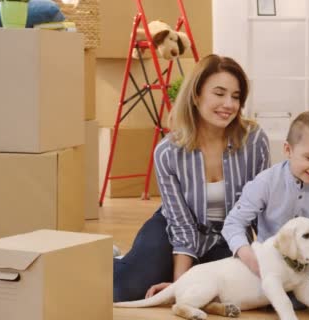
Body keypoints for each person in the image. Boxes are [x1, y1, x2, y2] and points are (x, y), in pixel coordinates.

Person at [113, 54, 271, 302]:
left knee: (227, 294)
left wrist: (265, 260)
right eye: (219, 94)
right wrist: (180, 286)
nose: (228, 104)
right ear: (196, 95)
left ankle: (160, 269)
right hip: (172, 230)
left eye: (236, 96)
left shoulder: (253, 140)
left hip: (226, 237)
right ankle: (118, 261)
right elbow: (181, 225)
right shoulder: (167, 152)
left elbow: (261, 210)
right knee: (125, 291)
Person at [222, 110, 309, 310]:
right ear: (288, 150)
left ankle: (300, 290)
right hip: (275, 259)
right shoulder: (266, 182)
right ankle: (296, 292)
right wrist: (250, 258)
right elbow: (233, 223)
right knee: (288, 298)